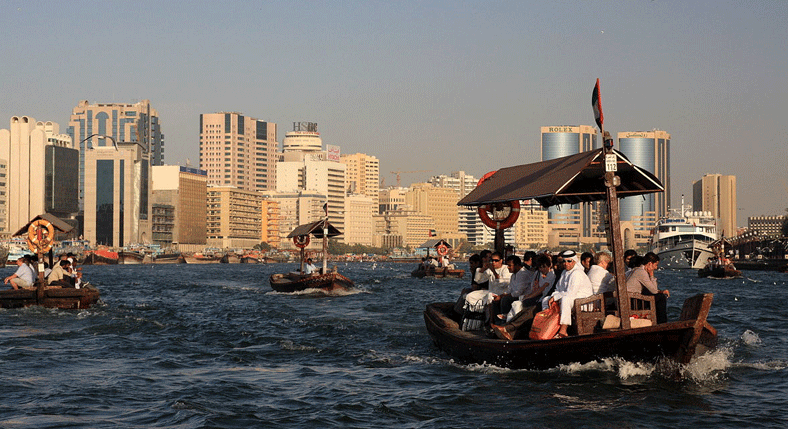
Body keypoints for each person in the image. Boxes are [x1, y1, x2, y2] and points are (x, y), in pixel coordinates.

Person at [543, 250, 593, 338]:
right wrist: (553, 297)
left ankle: (563, 330)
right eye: (564, 261)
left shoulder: (577, 273)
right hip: (571, 299)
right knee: (546, 299)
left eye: (569, 261)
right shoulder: (564, 272)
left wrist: (556, 297)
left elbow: (571, 292)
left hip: (583, 302)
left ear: (574, 261)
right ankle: (548, 326)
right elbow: (558, 289)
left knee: (565, 299)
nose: (566, 263)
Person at [626, 251, 669, 324]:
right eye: (655, 265)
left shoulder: (637, 270)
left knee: (656, 296)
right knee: (661, 298)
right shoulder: (642, 272)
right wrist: (652, 274)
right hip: (632, 301)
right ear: (650, 264)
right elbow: (654, 290)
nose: (656, 267)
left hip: (630, 299)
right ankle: (662, 322)